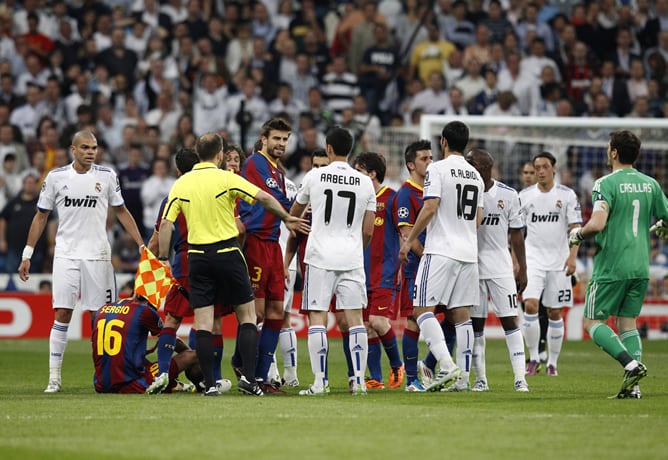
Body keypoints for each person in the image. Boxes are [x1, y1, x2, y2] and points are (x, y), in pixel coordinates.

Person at [157, 132, 307, 396]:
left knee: (203, 321)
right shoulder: (227, 178)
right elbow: (262, 197)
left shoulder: (181, 184)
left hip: (197, 257)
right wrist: (286, 217)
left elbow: (166, 225)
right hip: (228, 252)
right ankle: (249, 379)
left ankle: (210, 384)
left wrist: (163, 258)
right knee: (248, 316)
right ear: (219, 155)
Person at [18, 130, 144, 394]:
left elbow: (121, 210)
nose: (91, 152)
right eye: (85, 147)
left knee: (101, 318)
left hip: (97, 255)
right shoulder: (56, 177)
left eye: (94, 148)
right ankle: (54, 378)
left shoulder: (107, 176)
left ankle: (104, 375)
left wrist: (142, 244)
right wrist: (27, 254)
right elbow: (41, 216)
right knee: (62, 312)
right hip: (66, 253)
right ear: (73, 150)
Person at [569, 130, 668, 398]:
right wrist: (662, 227)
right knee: (628, 324)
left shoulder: (605, 183)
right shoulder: (651, 184)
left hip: (612, 266)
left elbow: (598, 223)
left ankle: (631, 364)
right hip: (640, 266)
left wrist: (577, 234)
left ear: (614, 152)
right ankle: (632, 387)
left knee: (592, 322)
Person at [289, 126, 376, 396]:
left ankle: (319, 382)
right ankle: (359, 381)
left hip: (319, 257)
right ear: (350, 150)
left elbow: (294, 215)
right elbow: (369, 230)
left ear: (328, 149)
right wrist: (353, 248)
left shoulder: (314, 176)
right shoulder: (364, 182)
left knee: (318, 318)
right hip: (351, 257)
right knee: (355, 320)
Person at [399, 120, 484, 392]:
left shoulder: (437, 169)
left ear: (444, 142)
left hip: (441, 250)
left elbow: (430, 207)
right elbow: (478, 219)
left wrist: (409, 240)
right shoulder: (476, 175)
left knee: (421, 309)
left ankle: (446, 367)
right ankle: (463, 379)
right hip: (468, 253)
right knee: (461, 315)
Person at [145, 148, 232, 396]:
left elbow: (162, 231)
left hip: (184, 262)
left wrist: (159, 259)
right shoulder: (211, 192)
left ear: (178, 171)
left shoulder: (174, 194)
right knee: (213, 322)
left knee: (172, 319)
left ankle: (162, 372)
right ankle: (212, 379)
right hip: (213, 259)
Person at [465, 148, 529, 392]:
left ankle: (520, 377)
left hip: (501, 266)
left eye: (472, 162)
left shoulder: (508, 194)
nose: (468, 165)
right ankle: (480, 379)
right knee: (476, 325)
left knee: (509, 320)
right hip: (472, 266)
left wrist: (522, 269)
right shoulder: (466, 191)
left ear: (485, 166)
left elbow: (516, 234)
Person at [238, 118, 294, 394]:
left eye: (285, 139)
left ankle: (261, 378)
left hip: (273, 245)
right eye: (277, 139)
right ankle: (241, 363)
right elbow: (272, 197)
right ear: (264, 138)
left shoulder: (278, 171)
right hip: (256, 243)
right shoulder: (255, 163)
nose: (281, 144)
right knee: (257, 312)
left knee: (275, 312)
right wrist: (296, 213)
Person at [519, 152, 582, 377]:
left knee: (555, 312)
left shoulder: (566, 195)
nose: (541, 171)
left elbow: (576, 228)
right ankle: (534, 358)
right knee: (530, 306)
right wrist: (517, 262)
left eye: (545, 166)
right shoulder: (524, 196)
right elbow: (517, 233)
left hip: (559, 261)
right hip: (533, 260)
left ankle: (553, 363)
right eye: (537, 167)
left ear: (554, 168)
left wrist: (573, 256)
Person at [352, 152, 404, 390]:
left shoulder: (392, 198)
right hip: (360, 271)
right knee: (367, 326)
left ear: (371, 174)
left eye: (359, 171)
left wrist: (402, 265)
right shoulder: (357, 200)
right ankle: (375, 378)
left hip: (385, 270)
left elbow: (404, 234)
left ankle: (397, 365)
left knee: (378, 321)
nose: (354, 175)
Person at [92, 295, 202, 394]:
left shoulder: (102, 309)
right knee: (194, 356)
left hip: (101, 383)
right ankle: (201, 385)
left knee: (145, 363)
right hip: (131, 382)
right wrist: (188, 354)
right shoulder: (143, 310)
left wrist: (139, 352)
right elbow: (170, 338)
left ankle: (174, 384)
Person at [395, 140, 432, 392]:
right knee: (414, 322)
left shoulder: (434, 189)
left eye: (431, 157)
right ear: (411, 164)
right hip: (418, 267)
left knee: (453, 317)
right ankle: (411, 380)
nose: (429, 163)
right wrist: (428, 256)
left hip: (439, 265)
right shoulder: (406, 194)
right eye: (424, 159)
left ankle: (428, 365)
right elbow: (408, 234)